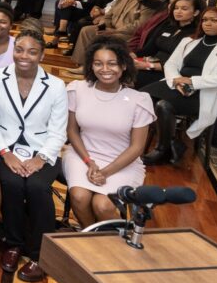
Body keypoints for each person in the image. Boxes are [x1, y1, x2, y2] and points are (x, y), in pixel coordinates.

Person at [0, 29, 68, 283]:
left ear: (42, 54)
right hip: (4, 146)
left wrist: (40, 158)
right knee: (10, 183)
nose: (24, 56)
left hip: (42, 149)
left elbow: (58, 131)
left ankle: (39, 254)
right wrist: (5, 153)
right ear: (13, 51)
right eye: (19, 49)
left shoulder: (56, 85)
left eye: (32, 51)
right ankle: (13, 244)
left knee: (35, 186)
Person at [64, 37, 153, 228]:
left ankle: (112, 241)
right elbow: (72, 131)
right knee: (79, 197)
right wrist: (89, 162)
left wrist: (105, 171)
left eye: (112, 63)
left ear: (123, 66)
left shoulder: (139, 100)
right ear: (91, 66)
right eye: (98, 63)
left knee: (102, 205)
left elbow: (137, 147)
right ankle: (91, 239)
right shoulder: (77, 89)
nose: (105, 69)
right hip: (82, 155)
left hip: (122, 160)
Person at [140, 7, 217, 165]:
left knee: (163, 105)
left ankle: (162, 149)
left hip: (202, 93)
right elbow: (171, 63)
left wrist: (192, 81)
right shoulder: (189, 41)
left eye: (214, 20)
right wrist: (177, 80)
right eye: (205, 20)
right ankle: (173, 144)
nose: (208, 24)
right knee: (143, 97)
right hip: (176, 84)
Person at [68, 0, 156, 73]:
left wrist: (114, 31)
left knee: (104, 37)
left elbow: (139, 25)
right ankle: (84, 65)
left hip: (129, 34)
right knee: (87, 30)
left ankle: (94, 67)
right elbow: (110, 13)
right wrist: (103, 25)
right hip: (112, 27)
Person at [133, 0, 203, 89]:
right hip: (149, 65)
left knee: (132, 79)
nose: (178, 11)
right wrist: (130, 55)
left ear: (196, 12)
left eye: (184, 9)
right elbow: (149, 49)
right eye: (176, 8)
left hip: (169, 73)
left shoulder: (195, 34)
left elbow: (180, 64)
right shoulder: (168, 26)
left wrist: (147, 65)